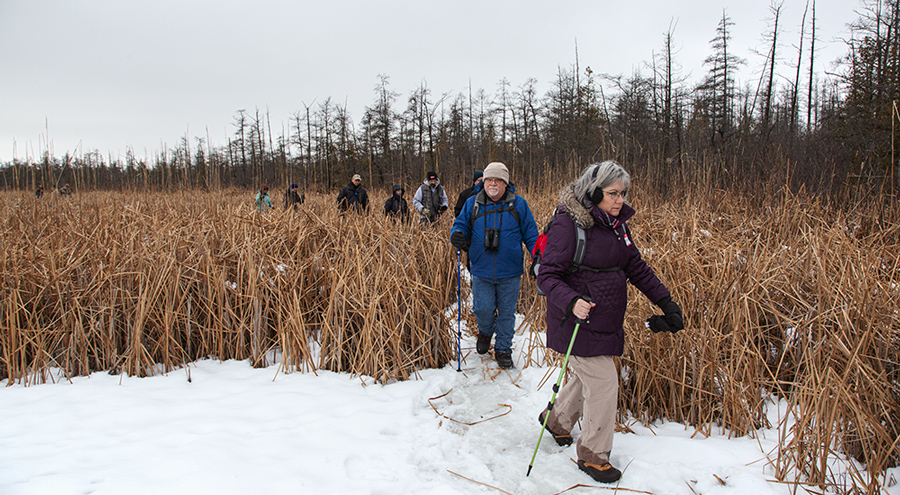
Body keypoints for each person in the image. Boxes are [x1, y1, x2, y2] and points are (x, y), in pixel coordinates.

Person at [535, 161, 684, 484]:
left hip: (606, 318)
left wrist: (666, 302)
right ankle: (593, 455)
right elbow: (547, 275)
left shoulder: (616, 226)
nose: (620, 200)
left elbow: (637, 267)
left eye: (623, 193)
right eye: (613, 193)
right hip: (574, 320)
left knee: (591, 373)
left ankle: (557, 421)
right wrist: (572, 301)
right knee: (603, 382)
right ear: (594, 192)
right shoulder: (568, 224)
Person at [449, 162, 539, 369]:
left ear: (505, 183)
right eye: (489, 179)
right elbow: (460, 223)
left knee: (507, 313)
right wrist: (457, 234)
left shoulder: (519, 204)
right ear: (484, 182)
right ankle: (486, 331)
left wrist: (538, 255)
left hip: (510, 271)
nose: (493, 183)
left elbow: (531, 234)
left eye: (498, 180)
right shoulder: (473, 203)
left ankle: (503, 349)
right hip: (481, 269)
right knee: (483, 309)